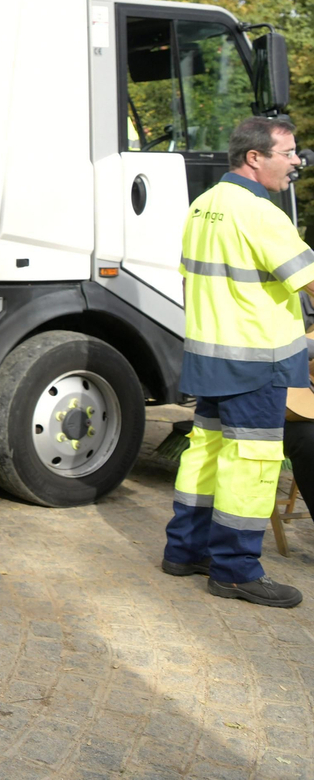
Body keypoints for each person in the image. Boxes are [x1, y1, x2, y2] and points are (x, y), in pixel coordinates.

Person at [163, 116, 314, 607]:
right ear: (255, 157)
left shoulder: (203, 206)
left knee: (205, 453)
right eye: (288, 152)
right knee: (251, 464)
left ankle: (185, 551)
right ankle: (234, 571)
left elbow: (192, 282)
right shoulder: (261, 214)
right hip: (256, 363)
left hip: (211, 357)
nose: (297, 162)